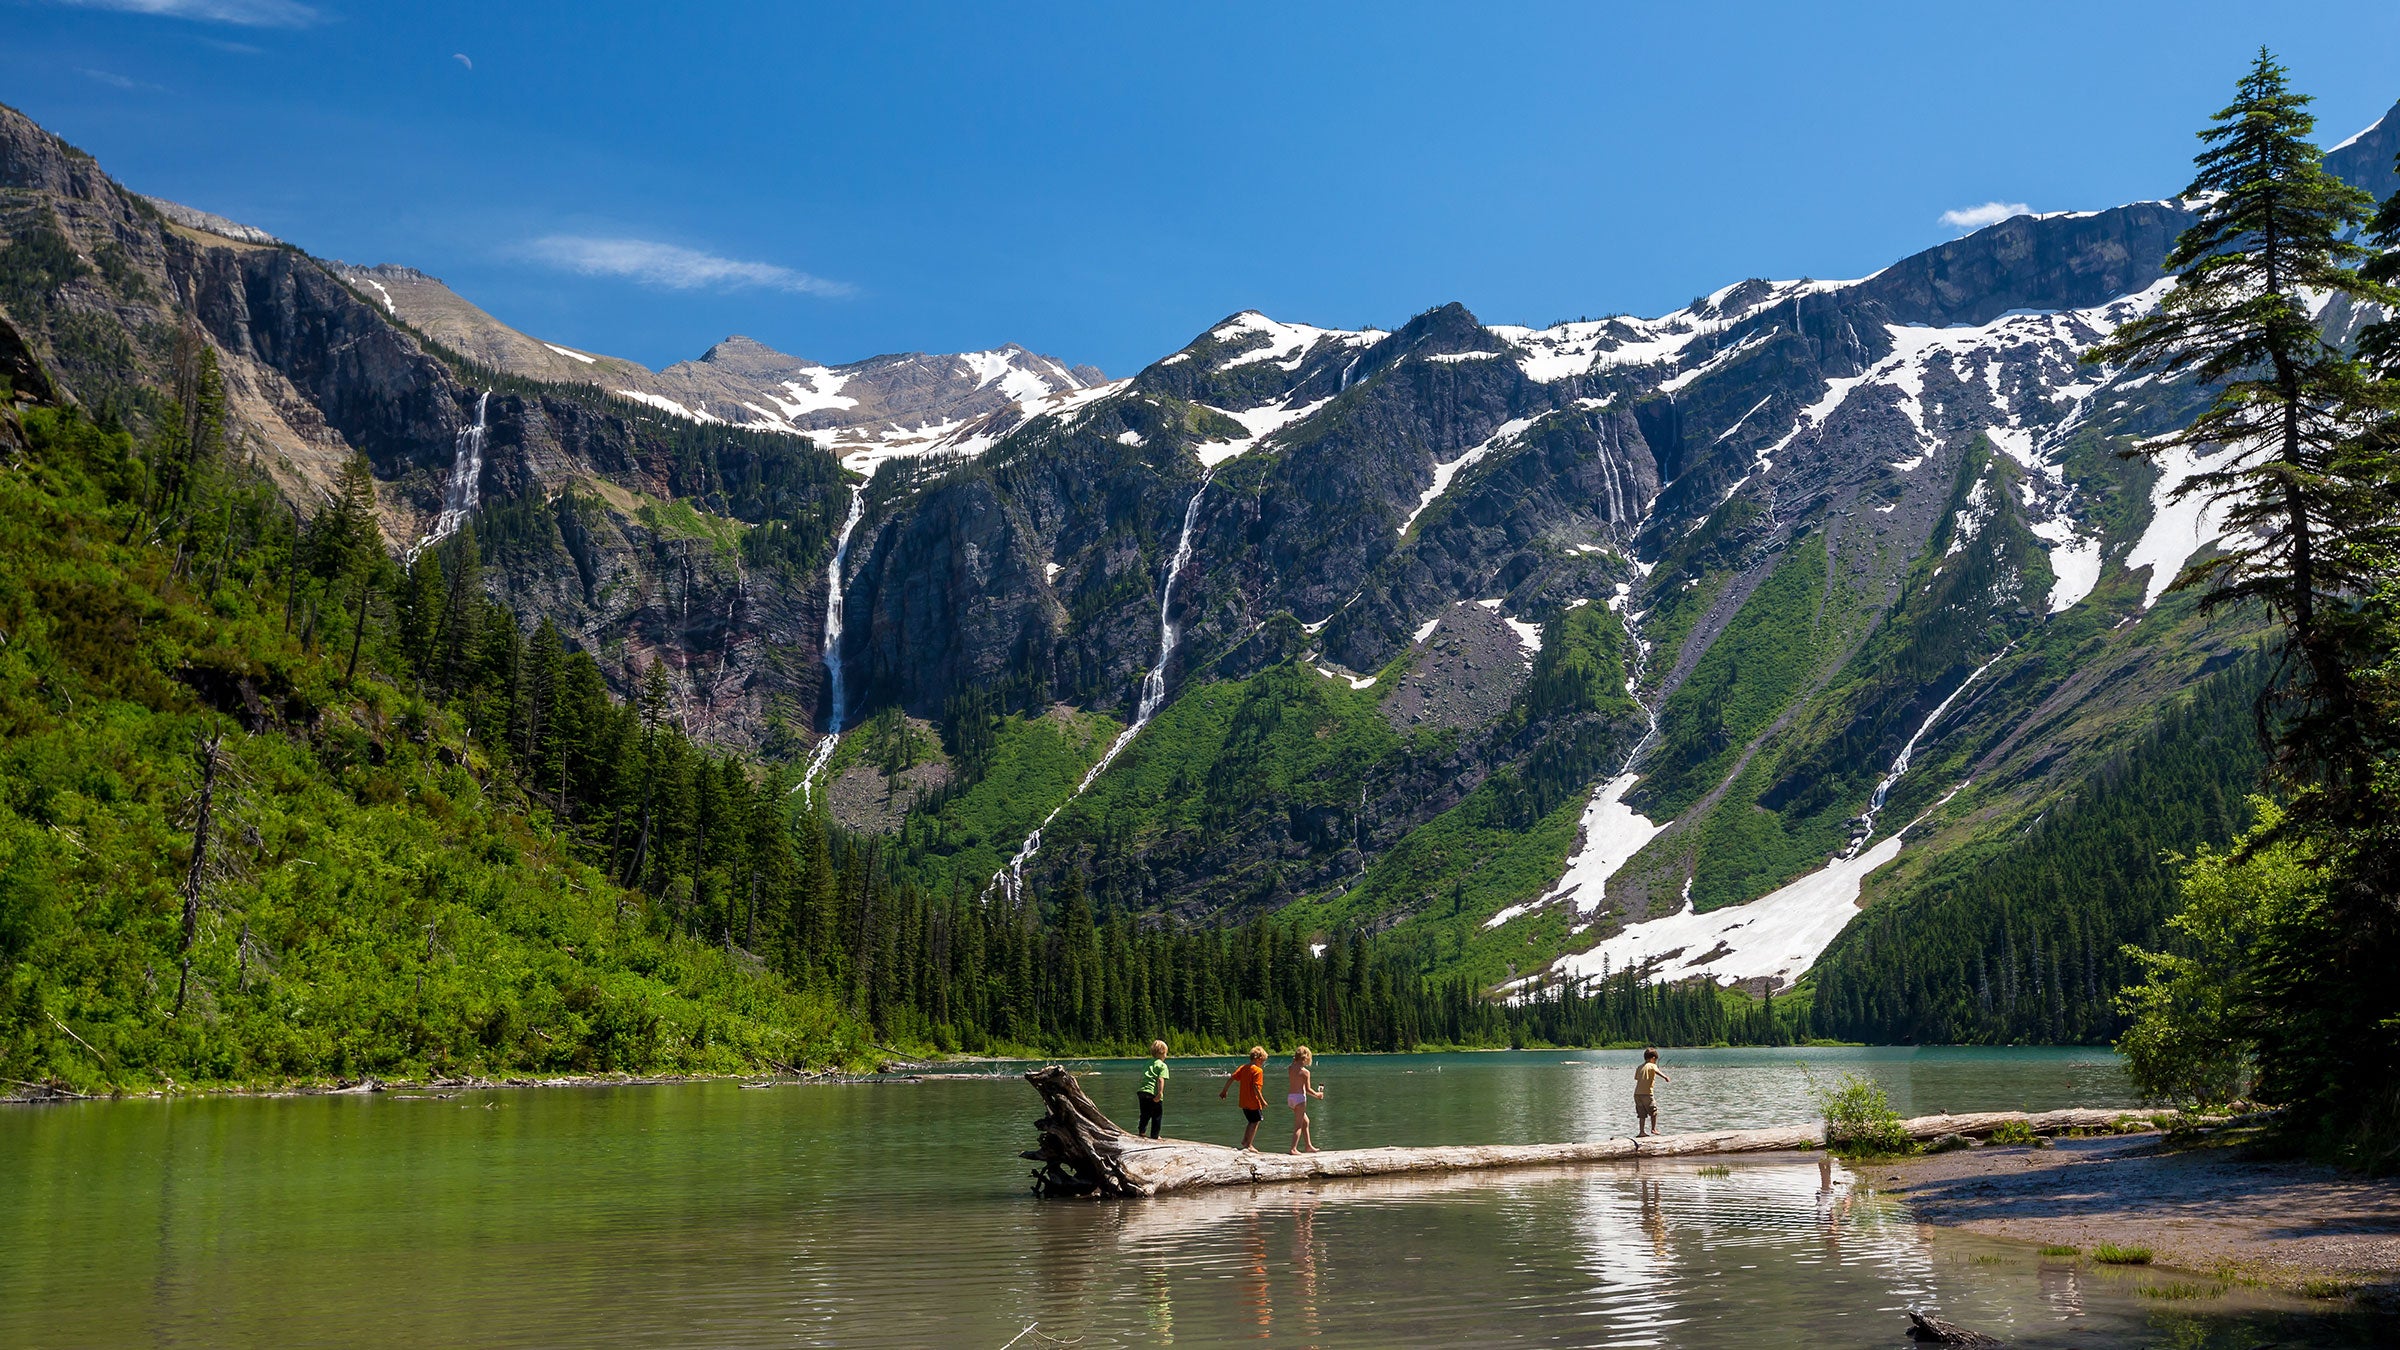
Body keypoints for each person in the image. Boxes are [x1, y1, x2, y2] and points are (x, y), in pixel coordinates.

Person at [1219, 1046, 1268, 1150]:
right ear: (1258, 1059)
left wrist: (1224, 1091)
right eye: (1263, 1061)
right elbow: (1256, 1087)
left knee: (1251, 1121)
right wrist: (1262, 1101)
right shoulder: (1258, 1071)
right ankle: (1248, 1144)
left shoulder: (1243, 1068)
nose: (1262, 1064)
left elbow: (1231, 1078)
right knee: (1255, 1121)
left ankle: (1245, 1141)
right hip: (1253, 1101)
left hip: (1243, 1101)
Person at [1286, 1046, 1325, 1154]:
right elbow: (1307, 1089)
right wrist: (1317, 1095)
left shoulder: (1290, 1068)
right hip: (1299, 1099)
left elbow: (1294, 1066)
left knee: (1305, 1121)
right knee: (1298, 1125)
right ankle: (1293, 1148)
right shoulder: (1305, 1072)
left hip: (1290, 1098)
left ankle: (1308, 1146)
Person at [1633, 1047, 1671, 1137]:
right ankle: (1653, 1129)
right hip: (1647, 1093)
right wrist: (1665, 1077)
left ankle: (1641, 1132)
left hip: (1637, 1094)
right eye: (1655, 1060)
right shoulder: (1652, 1065)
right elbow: (1657, 1071)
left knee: (1641, 1114)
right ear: (1653, 1058)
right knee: (1653, 1112)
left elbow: (1636, 1078)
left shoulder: (1639, 1067)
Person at [1137, 1039, 1170, 1139]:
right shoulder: (1162, 1065)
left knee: (1145, 1113)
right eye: (1166, 1054)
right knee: (1157, 1115)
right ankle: (1155, 1135)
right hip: (1153, 1093)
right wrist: (1159, 1093)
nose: (1166, 1056)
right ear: (1162, 1053)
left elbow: (1142, 1076)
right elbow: (1160, 1079)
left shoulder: (1148, 1063)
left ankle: (1142, 1132)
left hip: (1142, 1091)